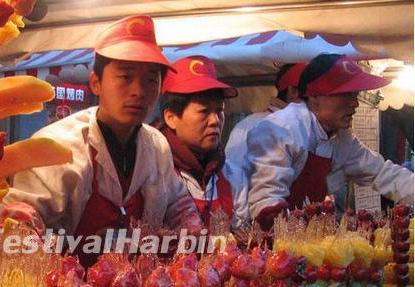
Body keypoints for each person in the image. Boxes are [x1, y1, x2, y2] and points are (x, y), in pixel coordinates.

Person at [0, 15, 201, 260]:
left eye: (151, 80)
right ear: (96, 83)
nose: (139, 91)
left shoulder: (157, 145)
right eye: (126, 77)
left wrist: (195, 243)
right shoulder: (58, 145)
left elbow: (178, 205)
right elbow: (19, 219)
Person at [247, 54, 414, 229]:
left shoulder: (343, 139)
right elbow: (266, 202)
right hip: (263, 238)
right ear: (314, 96)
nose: (355, 103)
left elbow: (383, 173)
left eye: (355, 94)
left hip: (303, 236)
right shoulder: (281, 129)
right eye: (345, 95)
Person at [158, 56, 249, 228]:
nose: (215, 120)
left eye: (219, 110)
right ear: (171, 118)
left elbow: (242, 236)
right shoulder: (155, 173)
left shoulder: (233, 176)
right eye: (204, 111)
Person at [225, 62, 306, 177]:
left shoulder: (310, 129)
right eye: (313, 93)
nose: (316, 100)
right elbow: (232, 178)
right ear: (293, 91)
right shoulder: (250, 125)